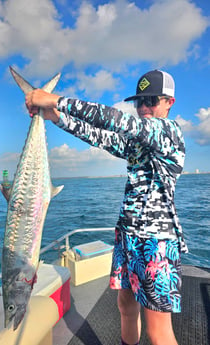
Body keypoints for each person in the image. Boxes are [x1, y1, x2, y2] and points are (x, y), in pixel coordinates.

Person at [25, 70, 187, 345]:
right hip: (127, 237)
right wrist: (56, 117)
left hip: (157, 243)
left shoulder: (169, 133)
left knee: (158, 331)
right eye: (139, 102)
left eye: (151, 100)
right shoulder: (137, 143)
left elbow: (115, 121)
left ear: (169, 102)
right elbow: (99, 135)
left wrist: (55, 100)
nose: (143, 107)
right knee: (125, 306)